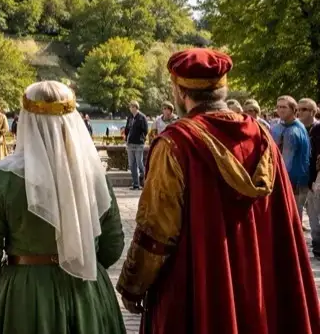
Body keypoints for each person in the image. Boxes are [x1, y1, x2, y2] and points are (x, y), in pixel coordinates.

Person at [117, 48, 320, 334]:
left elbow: (156, 232)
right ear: (222, 89)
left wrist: (132, 285)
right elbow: (285, 223)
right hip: (260, 287)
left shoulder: (176, 144)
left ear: (179, 90)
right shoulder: (263, 139)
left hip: (196, 291)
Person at [0, 81, 125, 333]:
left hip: (24, 296)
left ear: (27, 122)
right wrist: (80, 261)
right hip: (86, 292)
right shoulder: (94, 174)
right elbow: (113, 243)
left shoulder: (3, 176)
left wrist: (4, 281)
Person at [271, 95, 312, 221]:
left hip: (294, 180)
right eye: (278, 107)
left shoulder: (295, 130)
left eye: (284, 107)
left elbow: (290, 160)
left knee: (293, 217)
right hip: (283, 178)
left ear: (293, 109)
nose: (280, 110)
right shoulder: (278, 127)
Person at [298, 98, 320, 254]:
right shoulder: (296, 129)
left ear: (313, 111)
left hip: (316, 176)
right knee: (310, 214)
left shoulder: (318, 129)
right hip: (301, 178)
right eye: (298, 109)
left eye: (304, 109)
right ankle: (316, 244)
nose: (300, 112)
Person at [124, 101, 148, 190]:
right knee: (132, 165)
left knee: (139, 163)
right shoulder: (130, 117)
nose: (131, 108)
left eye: (132, 107)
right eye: (130, 107)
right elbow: (127, 129)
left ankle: (146, 181)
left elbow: (145, 130)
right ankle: (135, 184)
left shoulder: (142, 117)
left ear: (136, 107)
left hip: (139, 144)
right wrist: (126, 138)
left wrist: (142, 138)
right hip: (130, 144)